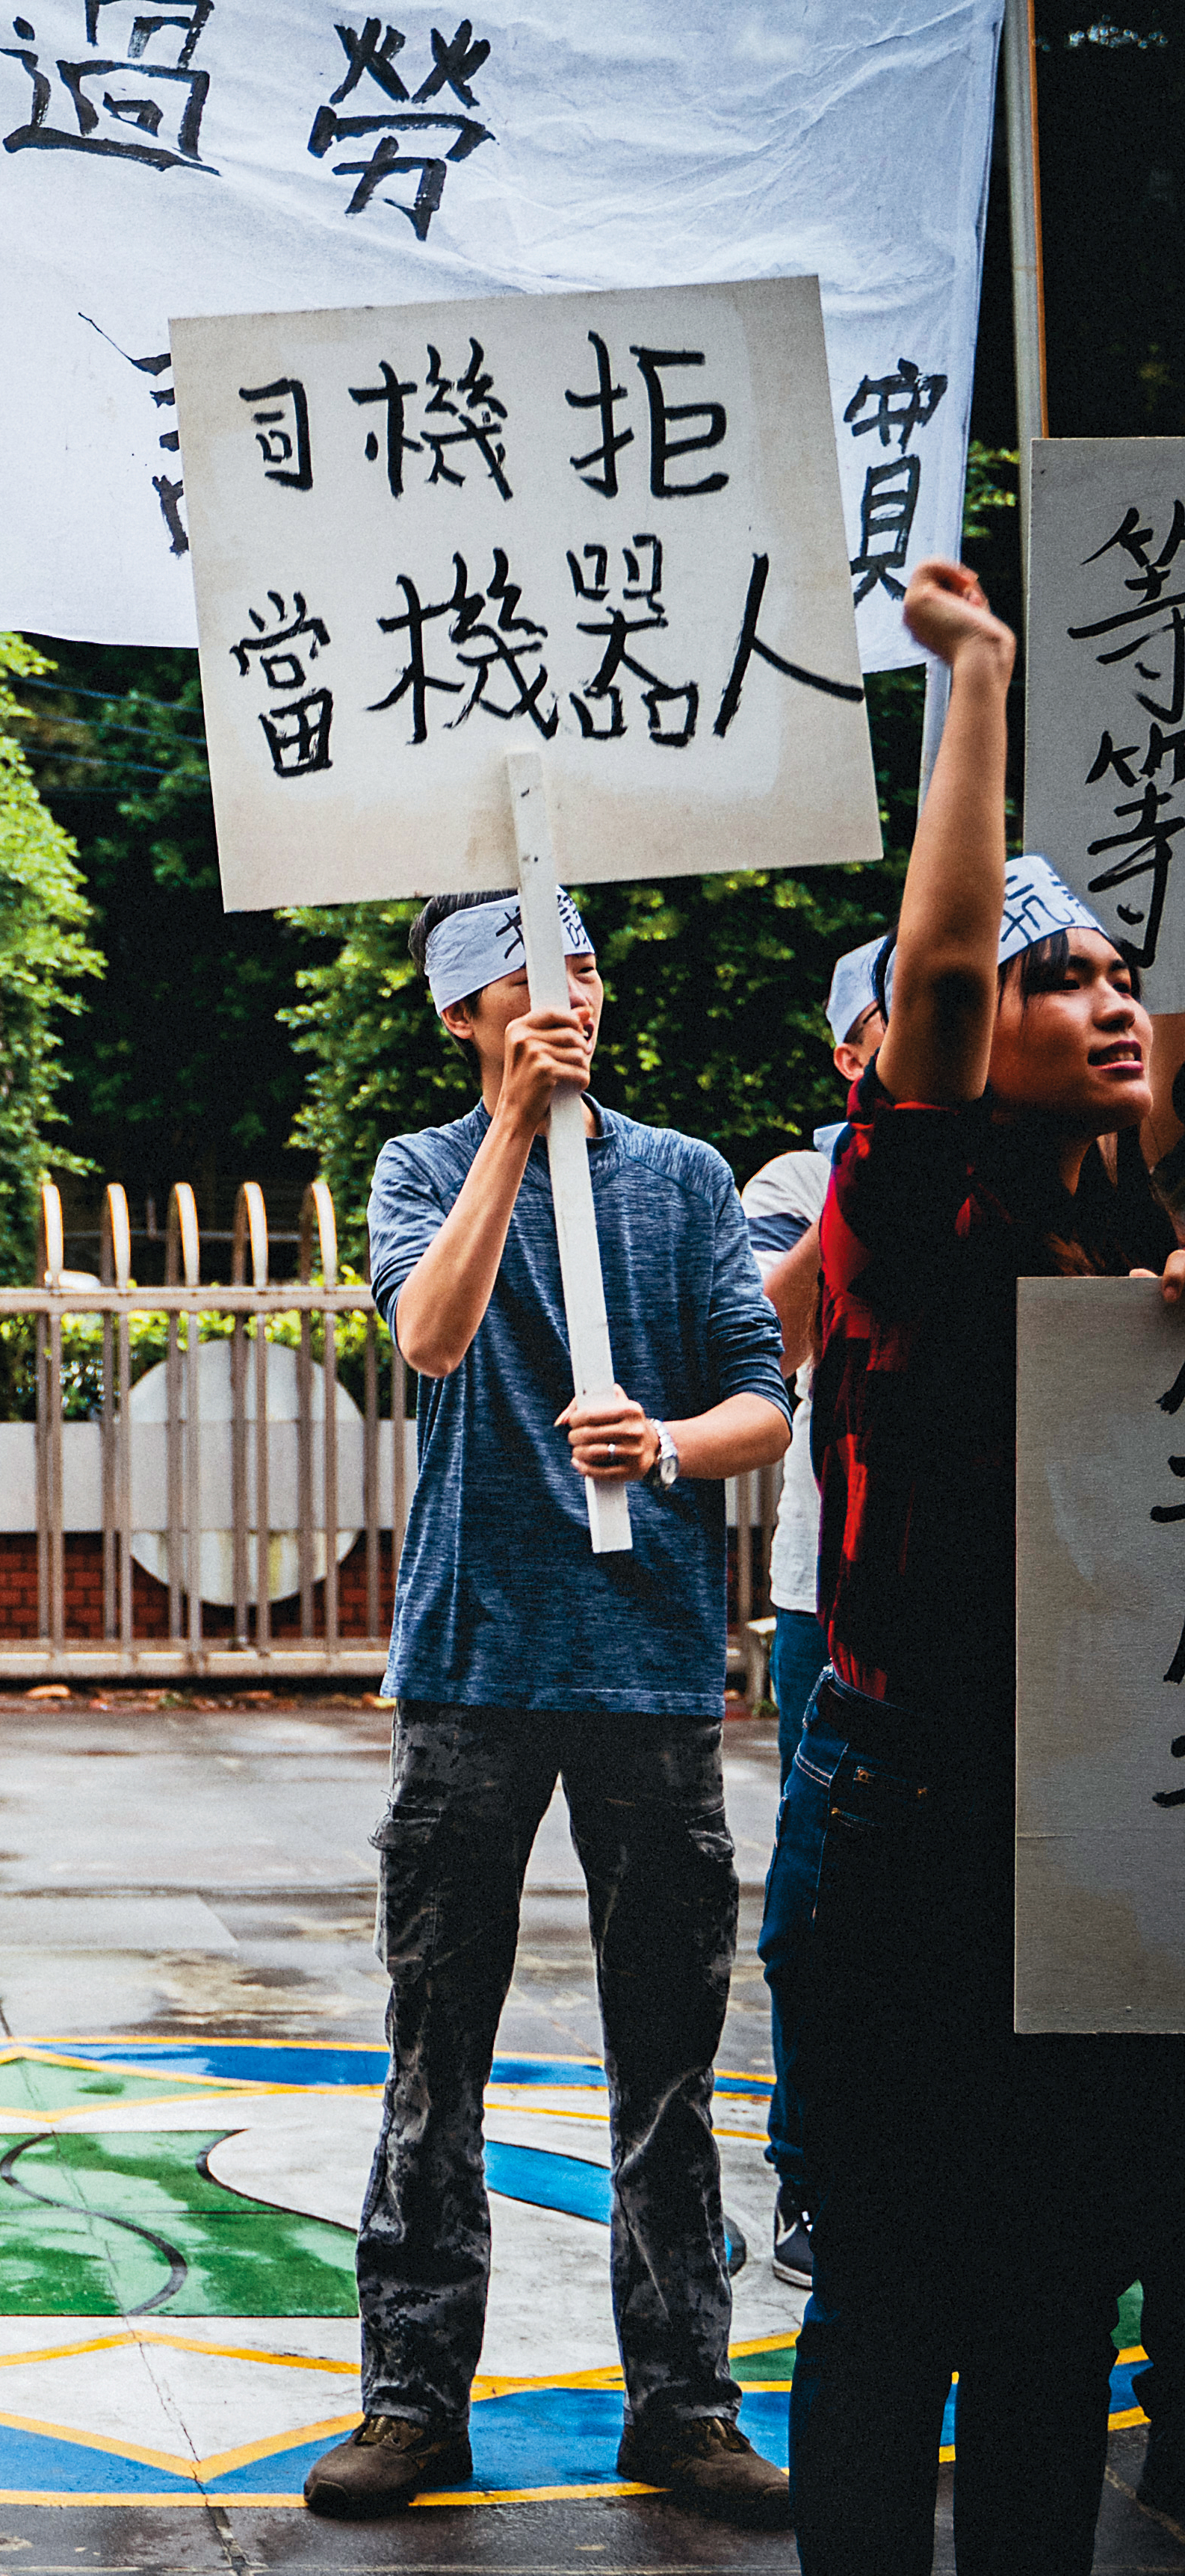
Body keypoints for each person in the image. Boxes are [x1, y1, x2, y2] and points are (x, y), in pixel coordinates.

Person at [773, 557, 1185, 2573]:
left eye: (1120, 975)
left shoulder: (1147, 1259)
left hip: (1099, 1864)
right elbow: (931, 1004)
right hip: (915, 1847)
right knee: (897, 2323)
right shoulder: (911, 1220)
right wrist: (980, 693)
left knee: (1054, 2334)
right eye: (1056, 981)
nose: (1104, 1004)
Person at [301, 884, 797, 2522]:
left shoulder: (683, 1179)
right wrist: (513, 1128)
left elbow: (758, 1398)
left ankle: (684, 2396)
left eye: (576, 959)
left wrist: (661, 1440)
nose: (561, 989)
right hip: (470, 1666)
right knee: (435, 2048)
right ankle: (411, 2395)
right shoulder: (420, 1170)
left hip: (649, 1663)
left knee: (666, 2053)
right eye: (520, 973)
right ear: (459, 1016)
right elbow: (430, 1338)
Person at [733, 936, 887, 2291]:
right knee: (821, 1902)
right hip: (826, 1600)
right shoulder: (801, 1179)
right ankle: (813, 2171)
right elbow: (762, 1345)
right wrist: (873, 1167)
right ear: (853, 1051)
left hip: (1016, 1592)